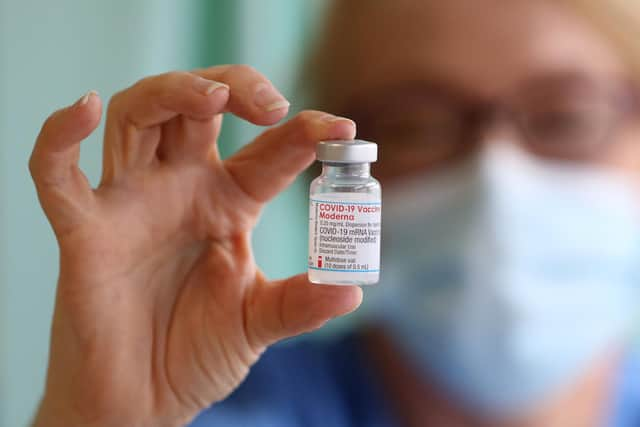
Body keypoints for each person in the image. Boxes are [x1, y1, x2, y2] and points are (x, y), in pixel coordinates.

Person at [30, 0, 640, 426]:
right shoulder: (209, 405)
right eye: (415, 125)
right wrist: (103, 420)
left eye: (568, 118)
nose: (495, 184)